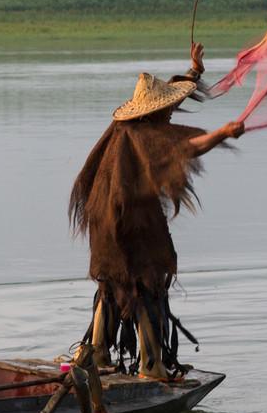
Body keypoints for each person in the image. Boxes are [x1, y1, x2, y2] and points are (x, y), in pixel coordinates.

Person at [69, 43, 243, 391]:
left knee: (110, 285)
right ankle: (152, 365)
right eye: (165, 110)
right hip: (128, 232)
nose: (170, 115)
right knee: (143, 288)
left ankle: (94, 357)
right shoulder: (143, 136)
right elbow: (185, 147)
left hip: (106, 229)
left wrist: (194, 72)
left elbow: (170, 101)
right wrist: (222, 133)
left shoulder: (124, 126)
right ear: (151, 113)